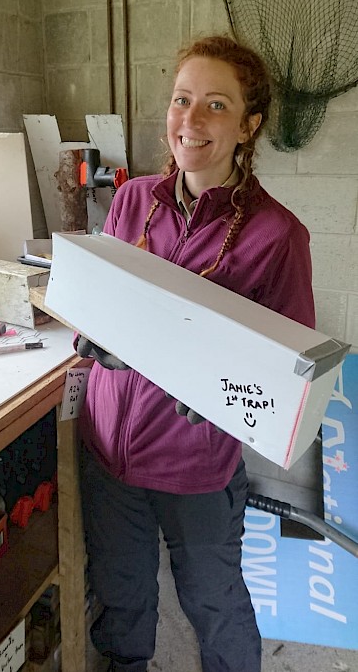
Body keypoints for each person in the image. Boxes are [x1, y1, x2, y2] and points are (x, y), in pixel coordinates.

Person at [76, 35, 315, 672]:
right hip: (107, 448)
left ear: (249, 124)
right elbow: (102, 302)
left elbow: (286, 379)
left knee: (214, 602)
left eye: (216, 104)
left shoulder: (278, 235)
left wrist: (222, 399)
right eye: (183, 100)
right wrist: (87, 333)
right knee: (121, 596)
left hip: (195, 467)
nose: (192, 119)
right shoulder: (132, 199)